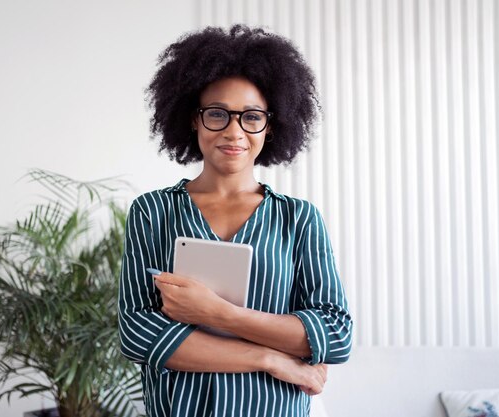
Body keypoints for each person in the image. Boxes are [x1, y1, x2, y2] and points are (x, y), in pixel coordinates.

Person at [118, 25, 352, 417]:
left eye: (251, 117)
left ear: (271, 125)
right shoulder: (152, 212)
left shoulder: (298, 218)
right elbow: (139, 335)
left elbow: (333, 336)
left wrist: (218, 313)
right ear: (193, 120)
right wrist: (271, 358)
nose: (233, 131)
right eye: (217, 114)